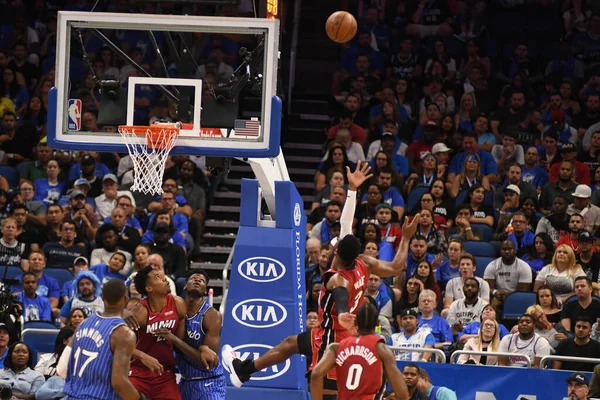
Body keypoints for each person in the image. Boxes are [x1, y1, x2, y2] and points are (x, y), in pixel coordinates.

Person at [222, 162, 419, 395]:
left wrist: (344, 312)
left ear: (337, 254)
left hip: (330, 333)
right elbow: (397, 266)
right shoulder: (364, 263)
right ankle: (243, 370)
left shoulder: (337, 277)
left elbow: (341, 293)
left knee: (326, 383)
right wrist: (405, 237)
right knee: (290, 344)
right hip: (342, 330)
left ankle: (244, 370)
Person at [62, 279, 145, 400]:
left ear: (102, 298)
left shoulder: (83, 323)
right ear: (126, 299)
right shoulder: (124, 333)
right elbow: (119, 383)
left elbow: (61, 368)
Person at [310, 303, 409, 400]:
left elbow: (315, 374)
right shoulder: (382, 349)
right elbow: (403, 394)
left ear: (355, 322)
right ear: (377, 323)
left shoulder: (336, 347)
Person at [152, 271, 225, 400]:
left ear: (205, 291)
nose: (197, 281)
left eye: (201, 281)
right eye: (193, 279)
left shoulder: (212, 316)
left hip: (209, 382)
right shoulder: (174, 310)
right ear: (185, 286)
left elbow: (208, 362)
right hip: (185, 382)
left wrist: (174, 339)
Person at [129, 266, 187, 400]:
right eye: (158, 278)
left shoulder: (178, 303)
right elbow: (118, 343)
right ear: (149, 288)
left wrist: (172, 338)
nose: (165, 279)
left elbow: (179, 340)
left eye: (162, 275)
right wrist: (143, 356)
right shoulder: (140, 311)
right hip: (139, 373)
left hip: (164, 374)